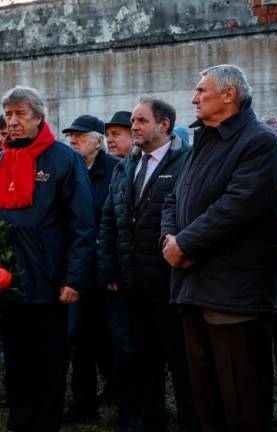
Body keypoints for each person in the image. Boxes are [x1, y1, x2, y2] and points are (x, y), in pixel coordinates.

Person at [161, 64, 277, 432]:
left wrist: (184, 244)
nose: (194, 98)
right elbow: (174, 198)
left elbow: (236, 209)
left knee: (243, 404)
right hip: (194, 290)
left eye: (202, 90)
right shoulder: (206, 140)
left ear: (229, 95)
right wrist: (169, 240)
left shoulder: (259, 141)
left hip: (236, 298)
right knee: (207, 402)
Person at [0, 86, 96, 431]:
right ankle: (20, 422)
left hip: (51, 284)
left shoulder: (64, 159)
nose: (11, 122)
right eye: (8, 114)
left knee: (50, 364)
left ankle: (46, 424)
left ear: (39, 118)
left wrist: (74, 279)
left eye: (20, 114)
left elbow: (82, 224)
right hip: (10, 285)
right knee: (17, 364)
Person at [98, 97, 195, 432]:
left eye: (140, 121)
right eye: (134, 122)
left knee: (181, 361)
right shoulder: (127, 164)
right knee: (143, 359)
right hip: (132, 282)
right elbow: (110, 217)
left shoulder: (186, 162)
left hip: (171, 282)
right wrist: (110, 267)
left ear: (164, 124)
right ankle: (151, 421)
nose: (134, 127)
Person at [61, 114, 120, 425]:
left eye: (81, 136)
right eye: (71, 136)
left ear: (99, 140)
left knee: (111, 336)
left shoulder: (115, 171)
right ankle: (83, 402)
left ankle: (117, 389)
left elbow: (115, 222)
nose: (73, 141)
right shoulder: (67, 169)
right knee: (78, 337)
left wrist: (111, 267)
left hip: (107, 270)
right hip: (76, 270)